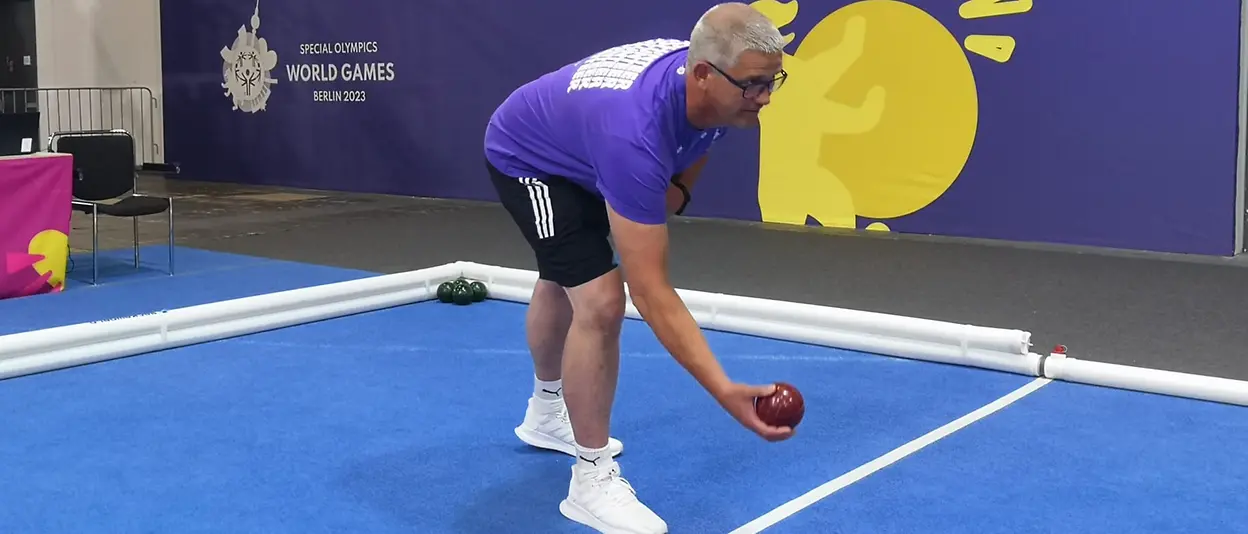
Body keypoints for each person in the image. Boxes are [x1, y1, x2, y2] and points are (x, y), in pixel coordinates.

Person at [482, 3, 794, 532]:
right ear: (702, 75)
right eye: (753, 85)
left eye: (773, 82)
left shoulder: (716, 93)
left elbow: (703, 135)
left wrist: (682, 187)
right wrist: (724, 389)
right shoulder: (636, 133)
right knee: (603, 301)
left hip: (582, 146)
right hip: (526, 156)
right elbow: (650, 291)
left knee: (566, 276)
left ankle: (545, 413)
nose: (764, 98)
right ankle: (590, 479)